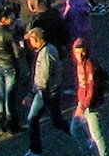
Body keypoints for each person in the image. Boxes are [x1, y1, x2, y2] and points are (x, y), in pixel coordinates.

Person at [24, 28, 70, 156]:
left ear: (37, 39)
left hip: (46, 93)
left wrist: (30, 95)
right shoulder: (49, 48)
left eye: (31, 40)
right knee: (57, 121)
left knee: (32, 119)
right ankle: (79, 133)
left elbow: (42, 80)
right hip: (52, 91)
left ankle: (35, 150)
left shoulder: (45, 54)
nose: (29, 42)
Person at [71, 39, 106, 156]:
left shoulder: (89, 65)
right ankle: (90, 152)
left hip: (90, 105)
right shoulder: (79, 64)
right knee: (76, 129)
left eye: (82, 52)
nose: (79, 56)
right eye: (77, 53)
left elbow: (91, 87)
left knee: (96, 135)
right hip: (83, 103)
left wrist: (83, 105)